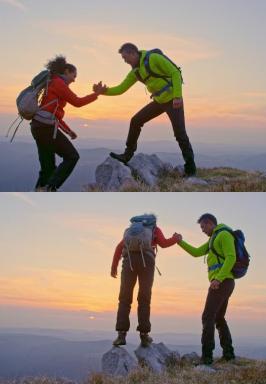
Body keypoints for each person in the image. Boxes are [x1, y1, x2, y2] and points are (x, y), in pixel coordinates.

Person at [100, 43, 196, 176]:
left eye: (125, 57)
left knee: (180, 134)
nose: (125, 61)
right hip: (159, 101)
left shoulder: (153, 58)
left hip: (173, 100)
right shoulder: (135, 71)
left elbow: (175, 72)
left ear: (133, 53)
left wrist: (177, 96)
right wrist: (104, 91)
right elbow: (121, 89)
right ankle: (127, 155)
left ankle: (190, 169)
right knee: (136, 121)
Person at [30, 55, 106, 191]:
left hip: (38, 126)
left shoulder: (52, 82)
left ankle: (39, 191)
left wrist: (68, 131)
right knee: (72, 156)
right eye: (74, 76)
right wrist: (96, 94)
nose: (74, 80)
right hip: (46, 129)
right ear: (66, 72)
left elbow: (53, 115)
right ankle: (51, 189)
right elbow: (77, 102)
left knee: (48, 168)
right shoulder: (59, 83)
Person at [110, 214, 180, 347]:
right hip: (147, 262)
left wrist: (114, 267)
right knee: (144, 298)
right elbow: (164, 244)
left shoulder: (131, 231)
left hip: (128, 261)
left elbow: (119, 247)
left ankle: (121, 335)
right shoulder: (154, 229)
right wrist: (176, 238)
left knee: (124, 298)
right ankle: (144, 336)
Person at [176, 213, 237, 365]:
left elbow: (231, 257)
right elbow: (196, 253)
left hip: (222, 282)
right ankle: (228, 354)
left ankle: (207, 357)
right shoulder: (212, 240)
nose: (202, 230)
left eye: (203, 226)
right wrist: (180, 242)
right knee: (218, 317)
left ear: (210, 223)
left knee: (207, 317)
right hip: (225, 282)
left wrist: (218, 278)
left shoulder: (223, 235)